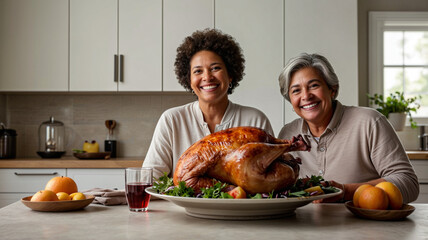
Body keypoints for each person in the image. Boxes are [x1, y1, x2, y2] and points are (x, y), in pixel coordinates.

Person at [277, 53, 419, 203]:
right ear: (291, 101)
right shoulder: (288, 134)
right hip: (304, 225)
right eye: (296, 90)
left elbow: (408, 183)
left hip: (364, 225)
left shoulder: (369, 122)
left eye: (314, 85)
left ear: (332, 89)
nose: (306, 96)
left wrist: (346, 192)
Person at [143, 29, 273, 179]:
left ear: (230, 75)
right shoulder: (172, 120)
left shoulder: (254, 120)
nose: (207, 77)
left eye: (215, 68)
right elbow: (150, 179)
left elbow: (270, 177)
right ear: (189, 80)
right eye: (198, 71)